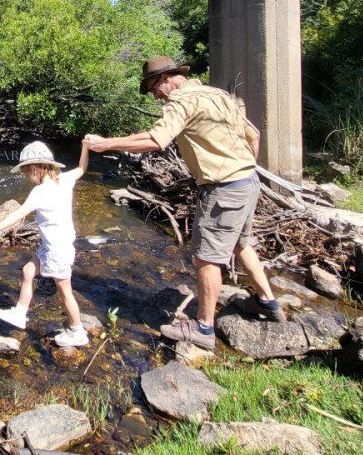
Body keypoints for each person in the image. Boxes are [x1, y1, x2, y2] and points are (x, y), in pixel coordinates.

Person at [83, 56, 283, 350]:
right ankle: (268, 302)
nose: (154, 96)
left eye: (153, 88)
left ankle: (203, 328)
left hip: (224, 188)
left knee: (206, 258)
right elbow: (255, 136)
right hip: (248, 181)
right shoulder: (218, 95)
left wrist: (106, 144)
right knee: (241, 243)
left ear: (166, 79)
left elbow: (156, 139)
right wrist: (242, 166)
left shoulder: (179, 102)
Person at [0, 140, 90, 348]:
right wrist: (84, 147)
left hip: (56, 250)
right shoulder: (64, 180)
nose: (28, 178)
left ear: (35, 169)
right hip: (56, 246)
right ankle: (20, 313)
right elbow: (82, 169)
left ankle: (78, 331)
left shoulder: (40, 192)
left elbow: (20, 213)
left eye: (27, 173)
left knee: (65, 292)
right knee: (29, 270)